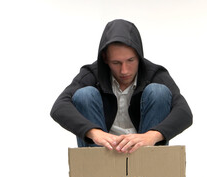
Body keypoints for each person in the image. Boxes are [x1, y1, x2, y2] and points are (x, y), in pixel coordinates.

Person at [51, 19, 192, 153]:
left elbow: (184, 113)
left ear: (139, 55)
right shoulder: (92, 74)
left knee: (159, 92)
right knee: (84, 95)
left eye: (130, 60)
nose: (124, 70)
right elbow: (59, 107)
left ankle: (151, 167)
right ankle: (95, 172)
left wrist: (152, 136)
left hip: (145, 151)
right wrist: (93, 132)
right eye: (116, 63)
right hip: (102, 151)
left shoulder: (154, 73)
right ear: (105, 58)